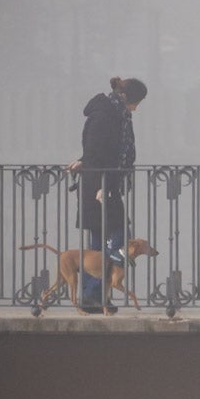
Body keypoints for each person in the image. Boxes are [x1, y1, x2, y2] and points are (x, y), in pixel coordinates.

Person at [66, 76, 147, 313]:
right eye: (136, 103)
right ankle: (93, 295)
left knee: (99, 243)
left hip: (104, 183)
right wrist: (103, 184)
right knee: (120, 238)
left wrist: (84, 162)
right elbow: (96, 149)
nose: (136, 108)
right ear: (126, 97)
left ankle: (94, 297)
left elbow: (99, 150)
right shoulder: (105, 115)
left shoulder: (114, 113)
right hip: (101, 186)